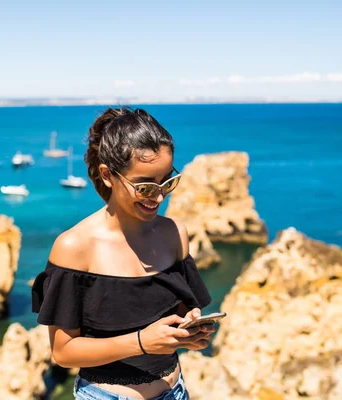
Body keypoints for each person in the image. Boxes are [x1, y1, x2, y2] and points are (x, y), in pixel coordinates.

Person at [32, 107, 215, 400]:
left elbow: (179, 316)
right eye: (144, 186)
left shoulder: (174, 234)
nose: (158, 197)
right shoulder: (74, 247)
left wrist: (190, 332)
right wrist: (141, 342)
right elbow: (64, 352)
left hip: (176, 392)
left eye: (167, 181)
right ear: (107, 175)